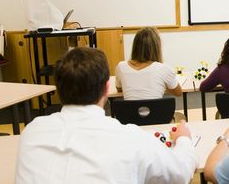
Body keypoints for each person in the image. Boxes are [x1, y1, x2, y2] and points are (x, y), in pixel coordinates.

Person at [15, 48, 198, 183]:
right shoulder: (130, 138)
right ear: (106, 88)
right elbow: (180, 173)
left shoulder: (32, 132)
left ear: (59, 90)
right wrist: (184, 139)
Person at [115, 27, 182, 100]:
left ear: (135, 45)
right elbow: (178, 93)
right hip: (157, 111)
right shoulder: (164, 69)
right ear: (156, 47)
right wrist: (162, 85)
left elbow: (119, 89)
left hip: (129, 111)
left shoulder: (121, 67)